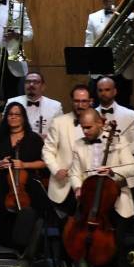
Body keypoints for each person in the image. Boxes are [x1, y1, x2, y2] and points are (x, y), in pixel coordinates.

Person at [68, 108, 134, 267]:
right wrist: (78, 188)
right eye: (83, 128)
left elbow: (132, 169)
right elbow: (75, 173)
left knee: (117, 249)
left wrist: (112, 171)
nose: (85, 131)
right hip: (90, 202)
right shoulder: (79, 144)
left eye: (89, 127)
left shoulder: (118, 141)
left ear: (100, 123)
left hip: (115, 202)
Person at [0, 102, 49, 256]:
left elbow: (44, 163)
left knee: (26, 223)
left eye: (17, 114)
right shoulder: (1, 137)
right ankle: (3, 255)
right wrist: (0, 163)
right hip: (4, 187)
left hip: (28, 188)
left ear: (23, 117)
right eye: (10, 114)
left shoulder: (33, 139)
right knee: (1, 223)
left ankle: (26, 255)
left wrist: (24, 164)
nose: (13, 117)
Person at [85, 0, 134, 107]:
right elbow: (88, 43)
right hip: (100, 69)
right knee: (97, 106)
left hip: (122, 70)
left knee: (124, 104)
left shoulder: (130, 15)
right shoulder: (93, 17)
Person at [42, 84, 93, 216]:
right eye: (76, 101)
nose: (80, 105)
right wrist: (56, 170)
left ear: (91, 101)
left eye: (84, 101)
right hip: (63, 184)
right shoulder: (59, 122)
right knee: (63, 226)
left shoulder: (98, 124)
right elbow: (47, 151)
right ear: (71, 101)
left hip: (89, 186)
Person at [94, 75, 134, 156]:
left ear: (115, 91)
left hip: (123, 161)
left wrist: (120, 154)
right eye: (100, 90)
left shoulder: (130, 115)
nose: (103, 93)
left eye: (107, 90)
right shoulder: (90, 116)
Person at [5, 71, 63, 138]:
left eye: (35, 82)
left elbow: (59, 132)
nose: (31, 84)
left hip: (45, 144)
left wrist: (47, 138)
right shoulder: (11, 102)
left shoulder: (56, 106)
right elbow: (5, 128)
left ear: (43, 86)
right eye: (28, 82)